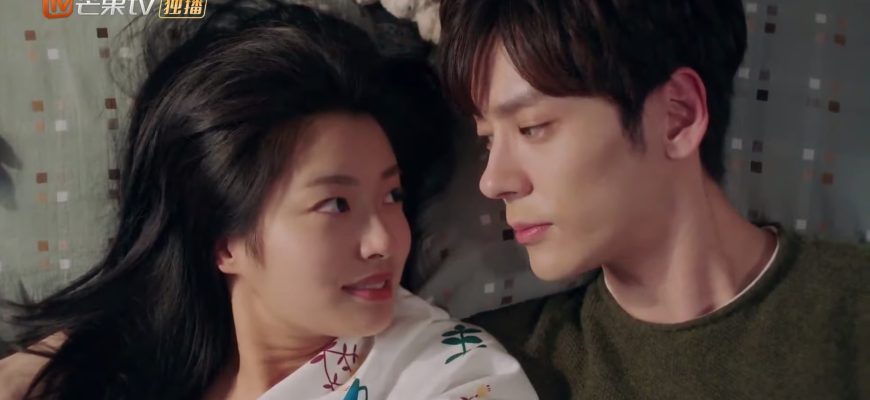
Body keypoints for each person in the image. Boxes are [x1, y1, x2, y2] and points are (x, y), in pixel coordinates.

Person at [0, 2, 538, 399]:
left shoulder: (448, 375)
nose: (384, 241)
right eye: (336, 204)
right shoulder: (107, 368)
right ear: (223, 239)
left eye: (391, 195)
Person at [437, 0, 870, 399]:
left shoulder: (852, 312)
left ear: (677, 116)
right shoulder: (485, 367)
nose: (493, 182)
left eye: (531, 128)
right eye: (487, 140)